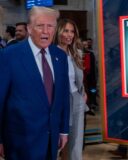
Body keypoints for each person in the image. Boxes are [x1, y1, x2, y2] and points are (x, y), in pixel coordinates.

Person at [0, 6, 70, 160]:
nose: (46, 31)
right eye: (40, 26)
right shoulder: (9, 55)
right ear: (29, 29)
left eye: (50, 26)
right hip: (19, 142)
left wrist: (63, 130)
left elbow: (63, 96)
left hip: (51, 140)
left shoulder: (60, 56)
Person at [54, 18, 88, 160]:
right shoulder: (50, 53)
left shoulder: (76, 53)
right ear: (58, 32)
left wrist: (83, 93)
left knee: (76, 143)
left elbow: (78, 78)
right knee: (57, 142)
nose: (69, 35)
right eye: (66, 31)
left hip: (76, 99)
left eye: (72, 32)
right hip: (57, 101)